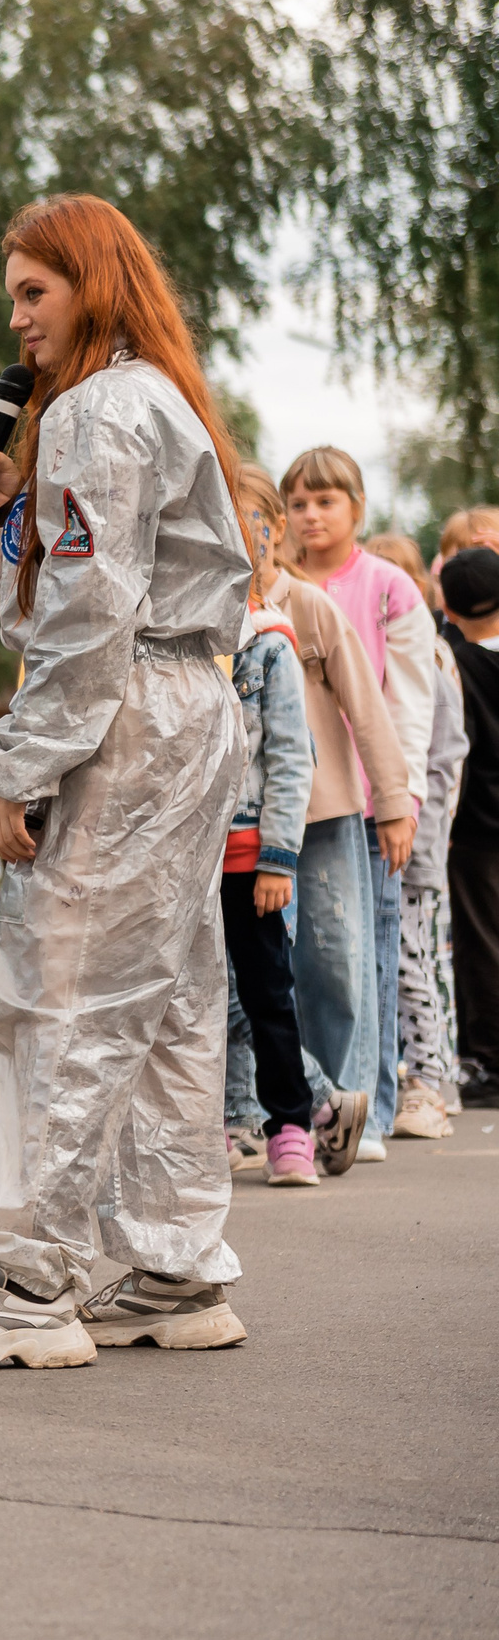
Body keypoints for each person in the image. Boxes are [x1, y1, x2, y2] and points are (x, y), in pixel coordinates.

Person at [0, 194, 254, 1372]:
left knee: (66, 990)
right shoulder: (147, 398)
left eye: (33, 292)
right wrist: (4, 507)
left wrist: (18, 768)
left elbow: (85, 618)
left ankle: (28, 1283)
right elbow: (63, 599)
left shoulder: (100, 412)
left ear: (88, 286)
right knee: (171, 993)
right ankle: (176, 1262)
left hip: (129, 715)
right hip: (184, 707)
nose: (17, 318)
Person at [235, 463, 408, 1174]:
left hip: (327, 811)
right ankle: (268, 1111)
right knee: (263, 971)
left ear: (269, 528)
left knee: (334, 961)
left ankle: (351, 1107)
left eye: (249, 516)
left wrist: (394, 801)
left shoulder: (305, 607)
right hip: (244, 824)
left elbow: (365, 703)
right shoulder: (206, 604)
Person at [283, 449, 430, 1158]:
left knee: (355, 956)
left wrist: (401, 798)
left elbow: (403, 701)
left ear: (358, 507)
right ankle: (313, 1108)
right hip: (293, 796)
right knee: (304, 957)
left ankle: (367, 1108)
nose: (310, 515)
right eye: (299, 503)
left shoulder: (385, 586)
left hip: (366, 797)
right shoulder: (272, 585)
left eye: (326, 502)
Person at [218, 498, 325, 1183]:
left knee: (267, 995)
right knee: (198, 1000)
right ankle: (219, 1123)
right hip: (186, 854)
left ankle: (293, 1121)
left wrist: (278, 857)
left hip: (252, 853)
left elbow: (290, 758)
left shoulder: (269, 645)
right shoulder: (182, 641)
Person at [363, 535, 468, 1137]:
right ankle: (413, 1073)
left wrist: (429, 826)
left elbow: (446, 754)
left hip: (417, 839)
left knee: (412, 961)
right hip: (377, 829)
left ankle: (430, 1078)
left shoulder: (430, 659)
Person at [434, 547, 499, 1108]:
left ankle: (489, 1062)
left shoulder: (456, 658)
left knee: (480, 944)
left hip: (475, 829)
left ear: (449, 608)